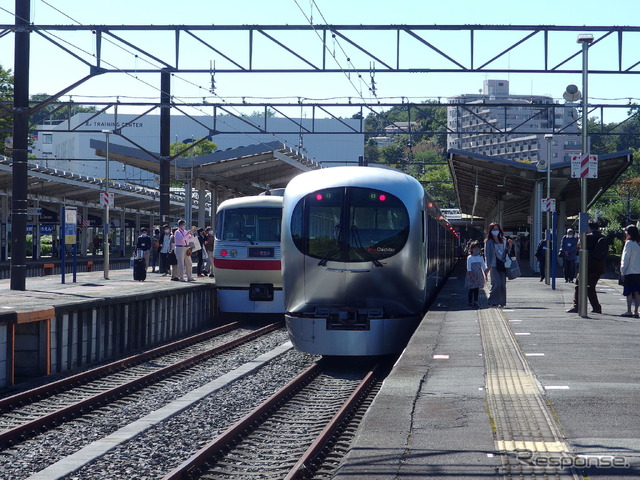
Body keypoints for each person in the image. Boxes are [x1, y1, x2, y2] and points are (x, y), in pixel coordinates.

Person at [567, 222, 608, 314]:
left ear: (589, 228)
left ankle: (576, 306)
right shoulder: (603, 238)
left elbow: (579, 248)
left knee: (579, 285)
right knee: (591, 287)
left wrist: (580, 238)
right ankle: (596, 307)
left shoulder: (587, 237)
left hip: (587, 266)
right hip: (599, 267)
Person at [484, 222, 512, 307]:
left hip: (503, 264)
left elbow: (507, 251)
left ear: (499, 230)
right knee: (497, 283)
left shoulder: (503, 240)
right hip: (493, 265)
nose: (495, 231)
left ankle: (502, 302)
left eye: (497, 229)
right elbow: (487, 254)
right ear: (490, 231)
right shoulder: (489, 242)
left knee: (503, 284)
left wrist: (510, 245)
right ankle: (492, 300)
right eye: (493, 229)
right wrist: (488, 266)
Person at [620, 224, 640, 318]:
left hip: (629, 271)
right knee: (637, 292)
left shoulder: (629, 243)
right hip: (638, 272)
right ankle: (636, 311)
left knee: (628, 292)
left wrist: (622, 271)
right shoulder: (638, 243)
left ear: (629, 233)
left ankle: (629, 311)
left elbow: (625, 258)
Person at [465, 240, 487, 309]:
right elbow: (469, 268)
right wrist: (472, 276)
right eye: (475, 248)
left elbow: (483, 267)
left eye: (478, 248)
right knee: (471, 289)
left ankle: (476, 302)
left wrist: (485, 276)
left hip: (479, 275)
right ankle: (470, 302)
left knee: (477, 289)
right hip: (471, 275)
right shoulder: (469, 258)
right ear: (471, 249)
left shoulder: (481, 257)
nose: (476, 250)